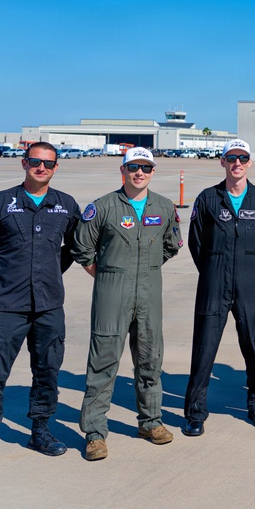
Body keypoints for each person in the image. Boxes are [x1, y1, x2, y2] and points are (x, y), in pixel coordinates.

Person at [0, 142, 81, 474]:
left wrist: (52, 274)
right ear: (23, 163)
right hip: (6, 306)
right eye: (35, 162)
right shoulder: (1, 202)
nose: (41, 168)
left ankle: (40, 431)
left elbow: (75, 246)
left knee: (47, 371)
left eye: (48, 163)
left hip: (49, 306)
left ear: (56, 167)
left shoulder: (66, 205)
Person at [72, 147, 182, 461]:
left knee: (150, 359)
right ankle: (94, 434)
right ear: (123, 171)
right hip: (112, 291)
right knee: (103, 362)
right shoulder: (103, 207)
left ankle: (151, 422)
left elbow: (171, 244)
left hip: (149, 291)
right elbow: (83, 248)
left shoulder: (163, 206)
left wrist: (143, 269)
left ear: (152, 171)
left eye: (145, 167)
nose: (139, 173)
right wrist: (108, 274)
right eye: (133, 167)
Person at [182, 139, 255, 437]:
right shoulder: (208, 198)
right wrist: (213, 267)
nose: (237, 163)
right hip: (214, 281)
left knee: (254, 344)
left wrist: (246, 265)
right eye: (231, 158)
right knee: (204, 347)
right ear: (222, 162)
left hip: (248, 281)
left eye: (243, 158)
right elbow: (196, 241)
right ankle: (195, 411)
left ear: (249, 163)